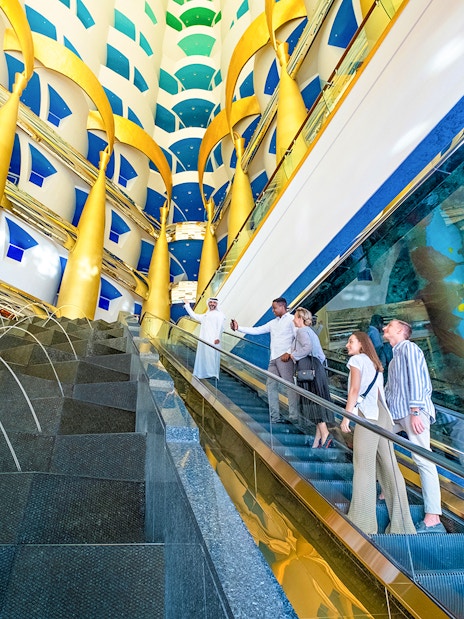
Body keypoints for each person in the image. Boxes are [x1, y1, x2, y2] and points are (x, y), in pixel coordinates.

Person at [340, 331, 416, 535]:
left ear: (362, 344)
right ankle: (403, 526)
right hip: (382, 415)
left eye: (351, 341)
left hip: (368, 414)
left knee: (363, 465)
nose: (348, 345)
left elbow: (354, 390)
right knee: (390, 467)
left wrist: (347, 416)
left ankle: (362, 523)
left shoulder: (357, 360)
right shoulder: (375, 364)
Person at [383, 319, 446, 533]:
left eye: (389, 326)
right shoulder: (394, 358)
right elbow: (390, 391)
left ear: (400, 330)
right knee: (378, 441)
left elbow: (418, 381)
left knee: (423, 459)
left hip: (412, 413)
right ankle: (388, 489)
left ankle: (433, 517)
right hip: (398, 414)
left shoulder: (409, 348)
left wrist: (416, 412)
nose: (384, 329)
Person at [230, 297, 297, 423]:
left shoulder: (292, 320)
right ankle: (274, 417)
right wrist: (238, 328)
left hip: (285, 358)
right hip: (273, 359)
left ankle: (294, 416)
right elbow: (257, 330)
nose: (273, 310)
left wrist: (289, 352)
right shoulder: (273, 323)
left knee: (290, 386)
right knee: (270, 385)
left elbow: (297, 337)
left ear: (282, 307)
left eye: (274, 308)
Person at [290, 307, 334, 447]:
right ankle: (317, 441)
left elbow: (307, 348)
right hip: (317, 370)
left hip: (309, 371)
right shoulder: (311, 332)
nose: (293, 319)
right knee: (317, 401)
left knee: (313, 402)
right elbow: (320, 354)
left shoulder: (302, 331)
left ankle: (325, 434)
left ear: (301, 319)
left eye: (296, 317)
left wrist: (294, 355)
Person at [183, 297, 225, 379]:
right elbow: (194, 315)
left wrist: (217, 338)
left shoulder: (220, 315)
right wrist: (187, 305)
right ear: (208, 303)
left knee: (212, 356)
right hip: (204, 339)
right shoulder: (206, 315)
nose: (212, 304)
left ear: (217, 304)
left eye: (214, 303)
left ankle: (212, 374)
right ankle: (203, 373)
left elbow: (220, 327)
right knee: (204, 356)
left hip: (214, 340)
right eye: (211, 302)